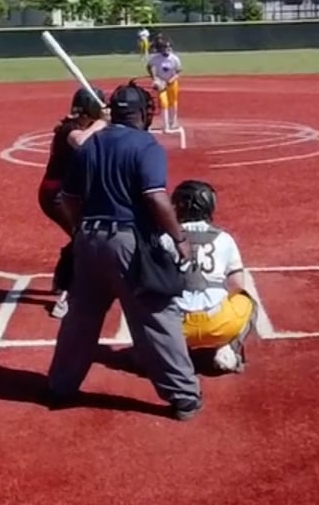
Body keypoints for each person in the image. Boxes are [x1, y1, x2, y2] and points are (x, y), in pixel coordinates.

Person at [47, 80, 203, 420]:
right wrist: (178, 238)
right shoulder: (145, 145)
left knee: (80, 319)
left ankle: (60, 386)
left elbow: (68, 198)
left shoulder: (90, 145)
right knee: (156, 317)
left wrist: (81, 229)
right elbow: (155, 196)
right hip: (129, 244)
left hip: (89, 241)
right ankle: (183, 396)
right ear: (142, 113)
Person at [38, 85, 110, 318]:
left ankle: (61, 279)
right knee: (83, 239)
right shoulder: (68, 129)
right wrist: (102, 122)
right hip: (55, 196)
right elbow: (80, 143)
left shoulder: (86, 127)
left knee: (80, 235)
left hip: (69, 195)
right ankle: (65, 297)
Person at [173, 179, 256, 374]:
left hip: (176, 328)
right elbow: (237, 284)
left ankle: (160, 354)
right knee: (248, 301)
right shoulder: (224, 238)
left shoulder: (165, 238)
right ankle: (229, 350)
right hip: (218, 323)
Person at [145, 35, 183, 134]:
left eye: (169, 47)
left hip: (172, 83)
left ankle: (172, 122)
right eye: (165, 47)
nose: (167, 49)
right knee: (164, 102)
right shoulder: (156, 59)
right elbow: (149, 66)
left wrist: (170, 81)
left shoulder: (174, 59)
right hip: (161, 84)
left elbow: (178, 72)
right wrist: (155, 78)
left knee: (172, 103)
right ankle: (166, 125)